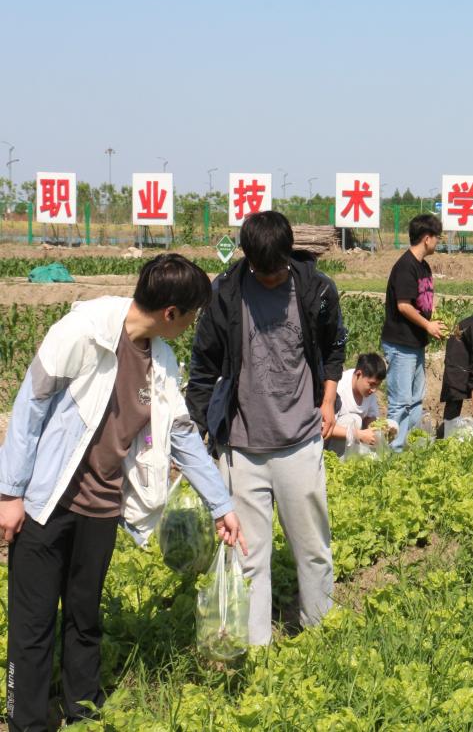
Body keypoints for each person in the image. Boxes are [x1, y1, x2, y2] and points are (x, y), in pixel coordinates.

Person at [2, 254, 246, 730]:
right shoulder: (85, 332)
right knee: (33, 624)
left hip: (100, 508)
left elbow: (181, 435)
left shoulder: (162, 360)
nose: (192, 325)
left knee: (84, 616)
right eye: (192, 315)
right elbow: (30, 404)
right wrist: (10, 494)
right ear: (171, 312)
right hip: (46, 504)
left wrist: (222, 505)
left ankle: (83, 711)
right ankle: (25, 721)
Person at [187, 211, 345, 647]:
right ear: (248, 260)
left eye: (277, 270)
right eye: (262, 271)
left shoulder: (317, 290)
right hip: (242, 448)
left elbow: (335, 345)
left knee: (312, 548)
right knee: (249, 555)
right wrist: (198, 435)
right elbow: (203, 367)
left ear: (289, 256)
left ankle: (320, 634)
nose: (270, 278)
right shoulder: (225, 293)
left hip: (300, 441)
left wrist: (327, 400)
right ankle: (256, 649)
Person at [381, 213, 445, 450]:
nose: (438, 242)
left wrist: (436, 319)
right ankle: (393, 452)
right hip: (400, 344)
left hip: (416, 343)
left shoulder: (424, 267)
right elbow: (404, 305)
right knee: (400, 401)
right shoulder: (405, 267)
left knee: (416, 399)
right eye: (437, 237)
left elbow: (426, 300)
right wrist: (428, 326)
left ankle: (410, 447)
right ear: (427, 238)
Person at [327, 353, 396, 458]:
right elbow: (326, 427)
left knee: (392, 425)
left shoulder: (368, 389)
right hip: (330, 442)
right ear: (359, 374)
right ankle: (338, 461)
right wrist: (359, 435)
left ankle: (368, 458)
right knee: (354, 420)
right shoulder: (339, 388)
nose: (374, 390)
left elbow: (370, 417)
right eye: (371, 384)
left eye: (377, 385)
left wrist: (374, 429)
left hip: (356, 438)